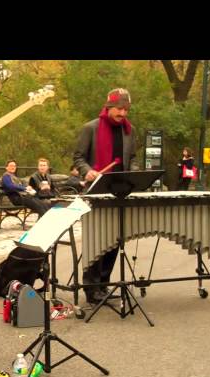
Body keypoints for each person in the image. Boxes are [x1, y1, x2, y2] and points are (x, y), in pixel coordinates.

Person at [72, 88, 139, 304]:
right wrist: (87, 171)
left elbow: (133, 158)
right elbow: (78, 158)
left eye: (126, 109)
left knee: (115, 241)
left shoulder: (129, 131)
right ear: (109, 107)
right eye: (119, 108)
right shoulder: (90, 128)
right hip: (96, 192)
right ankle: (91, 288)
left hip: (120, 192)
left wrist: (134, 173)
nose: (123, 113)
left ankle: (103, 284)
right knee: (96, 241)